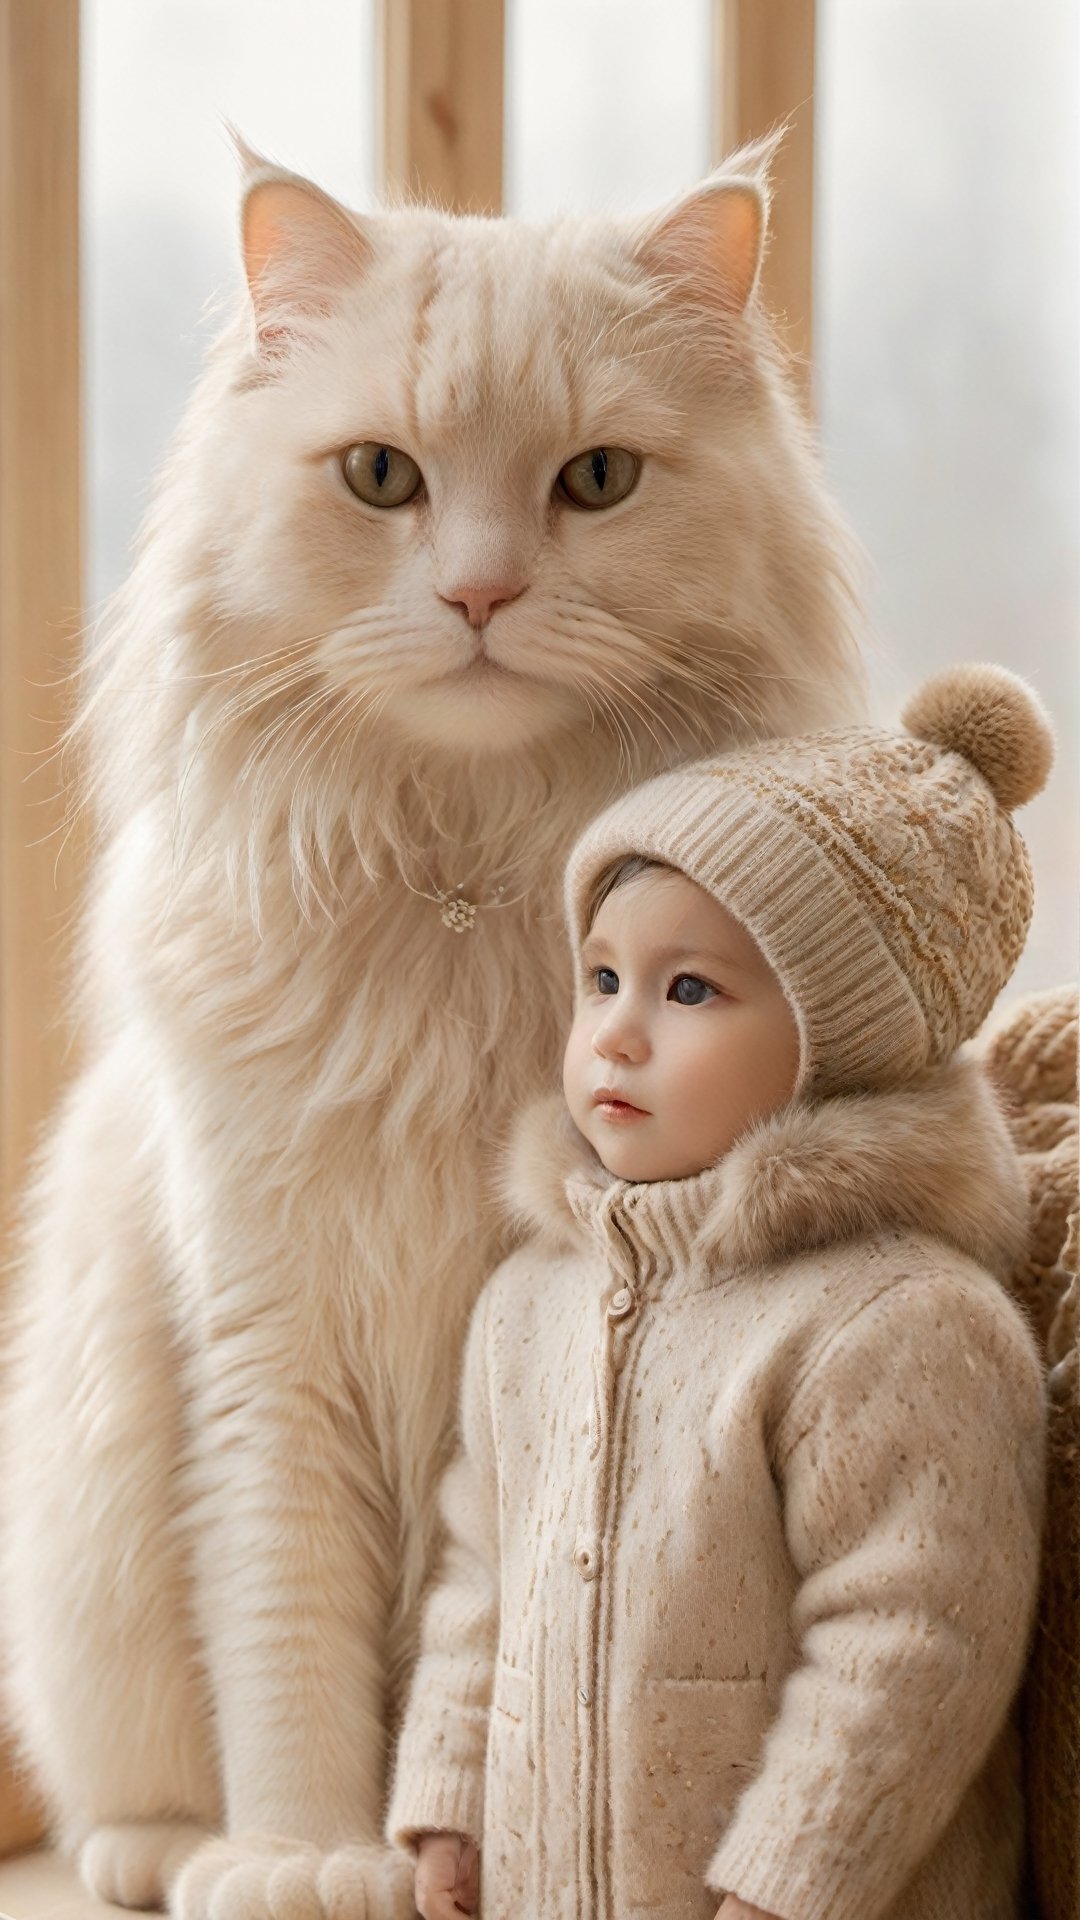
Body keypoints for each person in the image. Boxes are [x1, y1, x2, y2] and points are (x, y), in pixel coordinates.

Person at [386, 664, 1052, 1920]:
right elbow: (481, 1576)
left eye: (688, 989)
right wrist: (449, 1798)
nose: (618, 1035)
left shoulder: (898, 1323)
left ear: (833, 1044)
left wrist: (785, 1885)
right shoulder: (532, 1301)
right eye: (601, 979)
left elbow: (912, 1644)